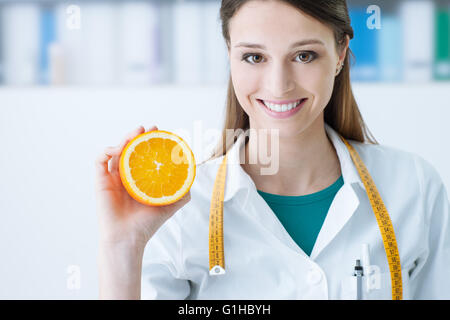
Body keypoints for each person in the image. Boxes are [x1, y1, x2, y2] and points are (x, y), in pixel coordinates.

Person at [94, 0, 450, 299]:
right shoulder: (179, 210)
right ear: (230, 54)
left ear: (341, 53)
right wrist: (122, 247)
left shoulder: (414, 188)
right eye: (254, 57)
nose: (279, 86)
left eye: (305, 55)